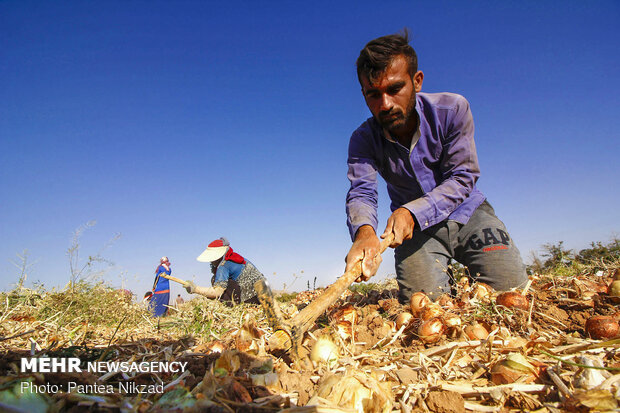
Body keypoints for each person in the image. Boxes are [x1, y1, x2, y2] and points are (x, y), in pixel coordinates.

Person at [345, 31, 528, 303]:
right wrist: (364, 234)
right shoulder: (362, 140)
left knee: (511, 293)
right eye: (373, 94)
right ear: (363, 93)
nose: (385, 104)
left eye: (395, 89)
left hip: (469, 213)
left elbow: (463, 177)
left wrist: (411, 211)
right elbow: (362, 193)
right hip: (415, 234)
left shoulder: (452, 109)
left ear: (416, 81)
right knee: (424, 305)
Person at [186, 237, 265, 304]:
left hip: (251, 298)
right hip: (263, 292)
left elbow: (217, 292)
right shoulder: (236, 258)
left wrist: (195, 289)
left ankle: (233, 304)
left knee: (215, 280)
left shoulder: (223, 266)